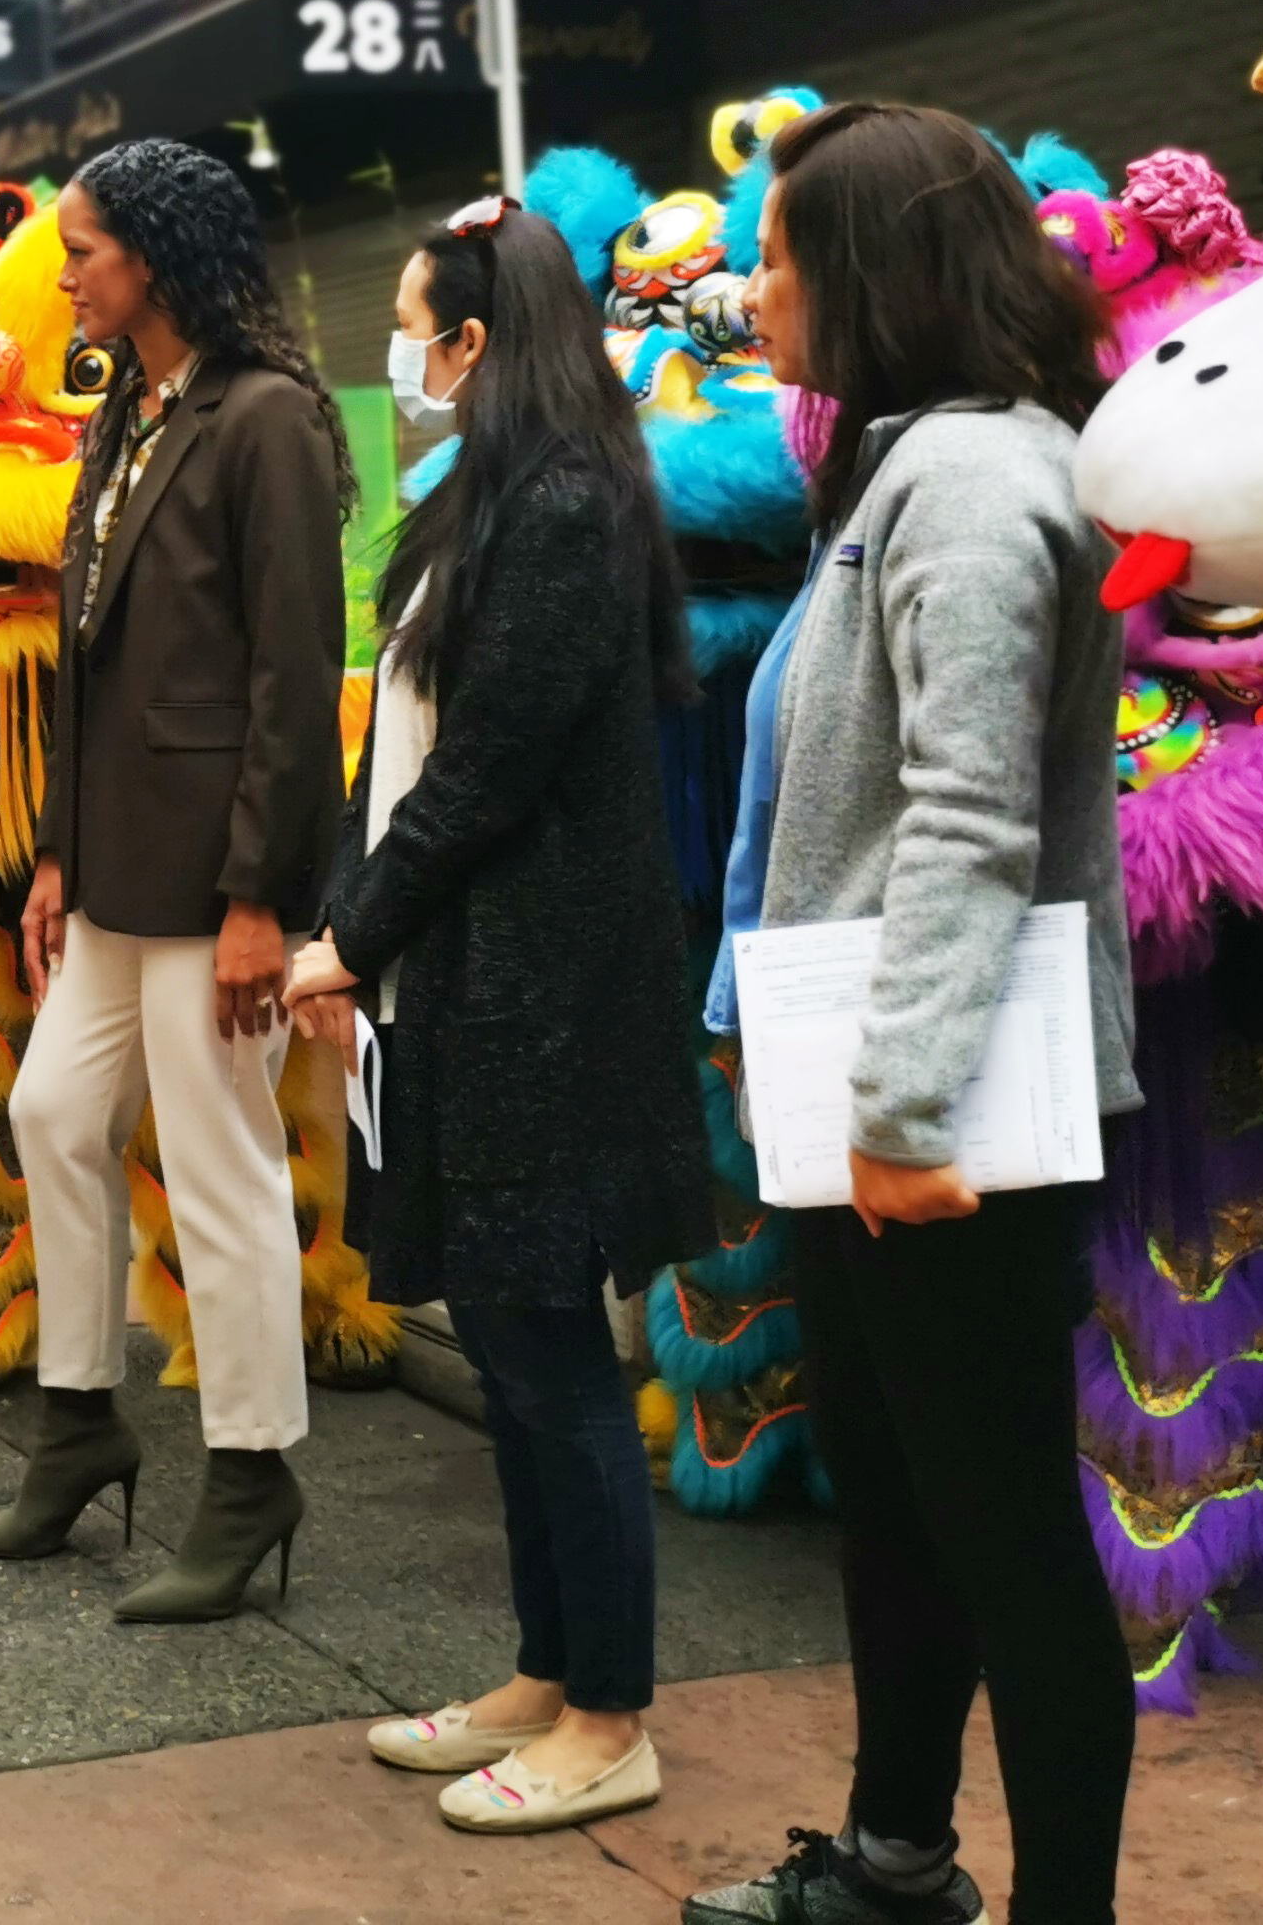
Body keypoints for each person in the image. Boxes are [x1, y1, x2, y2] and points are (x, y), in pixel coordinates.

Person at [683, 102, 1136, 1925]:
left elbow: (967, 807)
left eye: (779, 256)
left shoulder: (969, 484)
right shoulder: (912, 460)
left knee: (1005, 1528)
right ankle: (891, 1857)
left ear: (866, 274)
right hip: (863, 1087)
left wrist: (896, 1101)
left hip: (936, 1112)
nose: (753, 282)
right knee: (895, 1494)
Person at [280, 196, 714, 1832]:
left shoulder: (569, 503)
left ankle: (609, 1714)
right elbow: (391, 749)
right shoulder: (483, 499)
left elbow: (484, 773)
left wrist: (348, 935)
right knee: (518, 1350)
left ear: (472, 341)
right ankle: (545, 1670)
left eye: (409, 320)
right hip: (462, 987)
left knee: (551, 1356)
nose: (392, 351)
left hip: (542, 998)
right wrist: (353, 931)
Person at [0, 136, 350, 1619]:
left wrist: (264, 898)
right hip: (115, 864)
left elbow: (294, 675)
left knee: (220, 1166)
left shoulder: (270, 421)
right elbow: (91, 667)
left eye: (84, 249)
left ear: (160, 257)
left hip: (214, 882)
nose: (62, 275)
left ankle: (251, 1475)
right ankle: (79, 1430)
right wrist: (56, 846)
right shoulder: (126, 409)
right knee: (53, 1112)